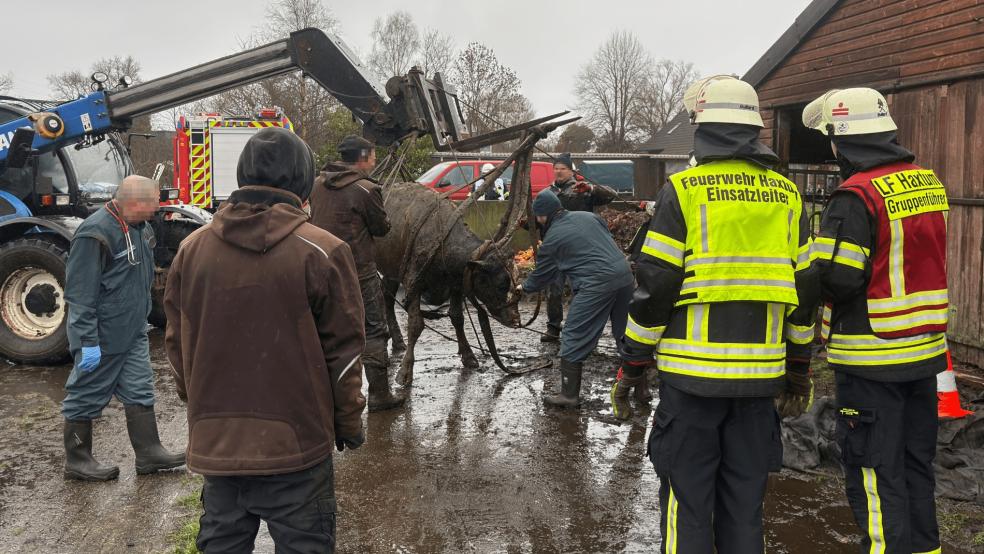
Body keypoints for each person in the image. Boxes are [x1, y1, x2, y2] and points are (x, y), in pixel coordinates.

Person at [619, 75, 819, 552]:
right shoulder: (788, 196)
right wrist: (798, 372)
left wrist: (632, 367)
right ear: (755, 129)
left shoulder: (684, 190)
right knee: (744, 509)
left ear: (701, 127)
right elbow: (806, 292)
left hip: (692, 386)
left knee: (687, 506)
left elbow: (656, 289)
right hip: (760, 383)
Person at [164, 127, 366, 552]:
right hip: (297, 449)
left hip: (217, 444)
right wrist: (347, 424)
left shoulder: (191, 250)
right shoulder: (322, 251)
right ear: (302, 180)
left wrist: (204, 410)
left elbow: (178, 345)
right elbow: (344, 353)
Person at [803, 87, 949, 554]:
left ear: (840, 138)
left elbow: (840, 280)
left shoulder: (855, 195)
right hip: (925, 355)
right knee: (914, 466)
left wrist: (806, 271)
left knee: (872, 470)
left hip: (871, 360)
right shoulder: (926, 182)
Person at [61, 175, 185, 482]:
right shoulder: (95, 234)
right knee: (85, 394)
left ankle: (149, 453)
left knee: (140, 389)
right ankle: (77, 460)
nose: (158, 208)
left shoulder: (141, 228)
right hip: (101, 337)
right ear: (134, 203)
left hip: (132, 332)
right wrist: (87, 341)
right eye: (154, 203)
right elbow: (80, 295)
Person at [309, 134, 405, 411]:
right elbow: (381, 228)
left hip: (320, 268)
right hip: (358, 272)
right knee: (374, 329)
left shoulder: (316, 185)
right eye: (373, 155)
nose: (375, 160)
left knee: (326, 329)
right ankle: (378, 394)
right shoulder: (366, 190)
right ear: (362, 157)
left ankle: (326, 395)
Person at [517, 189, 634, 408]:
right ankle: (641, 390)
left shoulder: (552, 239)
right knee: (626, 335)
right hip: (625, 276)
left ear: (543, 216)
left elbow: (542, 275)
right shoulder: (589, 217)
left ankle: (569, 395)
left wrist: (522, 287)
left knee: (573, 335)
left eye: (539, 217)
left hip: (596, 283)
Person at [541, 153, 618, 343]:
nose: (559, 172)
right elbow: (543, 221)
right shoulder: (547, 193)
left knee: (582, 290)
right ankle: (553, 328)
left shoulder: (582, 190)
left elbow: (611, 194)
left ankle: (579, 328)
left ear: (571, 171)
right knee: (553, 290)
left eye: (563, 168)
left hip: (582, 250)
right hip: (556, 250)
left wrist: (591, 188)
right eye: (556, 168)